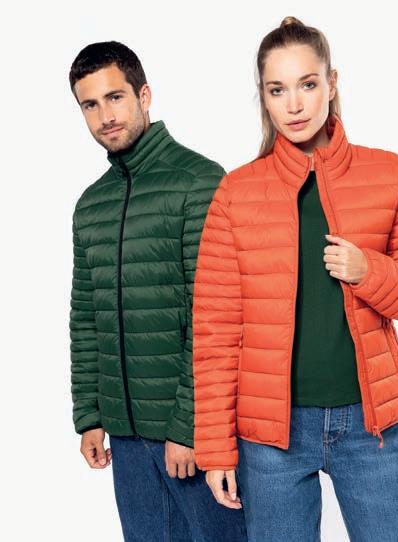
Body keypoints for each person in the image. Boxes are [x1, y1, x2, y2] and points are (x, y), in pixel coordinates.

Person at [192, 17, 398, 542]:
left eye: (307, 84)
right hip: (272, 435)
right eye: (277, 90)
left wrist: (369, 271)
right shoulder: (236, 192)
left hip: (369, 425)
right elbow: (215, 330)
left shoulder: (387, 173)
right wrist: (216, 447)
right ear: (263, 97)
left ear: (332, 83)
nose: (294, 104)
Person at [68, 40, 247, 542]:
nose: (105, 116)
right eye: (90, 104)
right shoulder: (91, 204)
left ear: (144, 95)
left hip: (190, 435)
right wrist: (90, 416)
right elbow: (86, 318)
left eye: (115, 97)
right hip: (125, 438)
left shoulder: (199, 181)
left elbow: (215, 315)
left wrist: (188, 426)